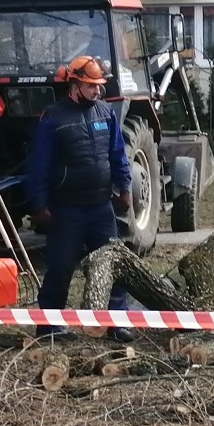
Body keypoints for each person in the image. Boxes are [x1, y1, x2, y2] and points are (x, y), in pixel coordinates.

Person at [26, 56, 135, 343]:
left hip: (101, 206)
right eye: (91, 86)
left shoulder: (105, 112)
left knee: (113, 263)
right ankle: (49, 325)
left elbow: (117, 154)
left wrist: (124, 186)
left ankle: (117, 322)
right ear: (74, 85)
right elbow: (39, 166)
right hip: (66, 209)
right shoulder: (53, 118)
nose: (98, 91)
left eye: (99, 85)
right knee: (61, 266)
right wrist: (39, 205)